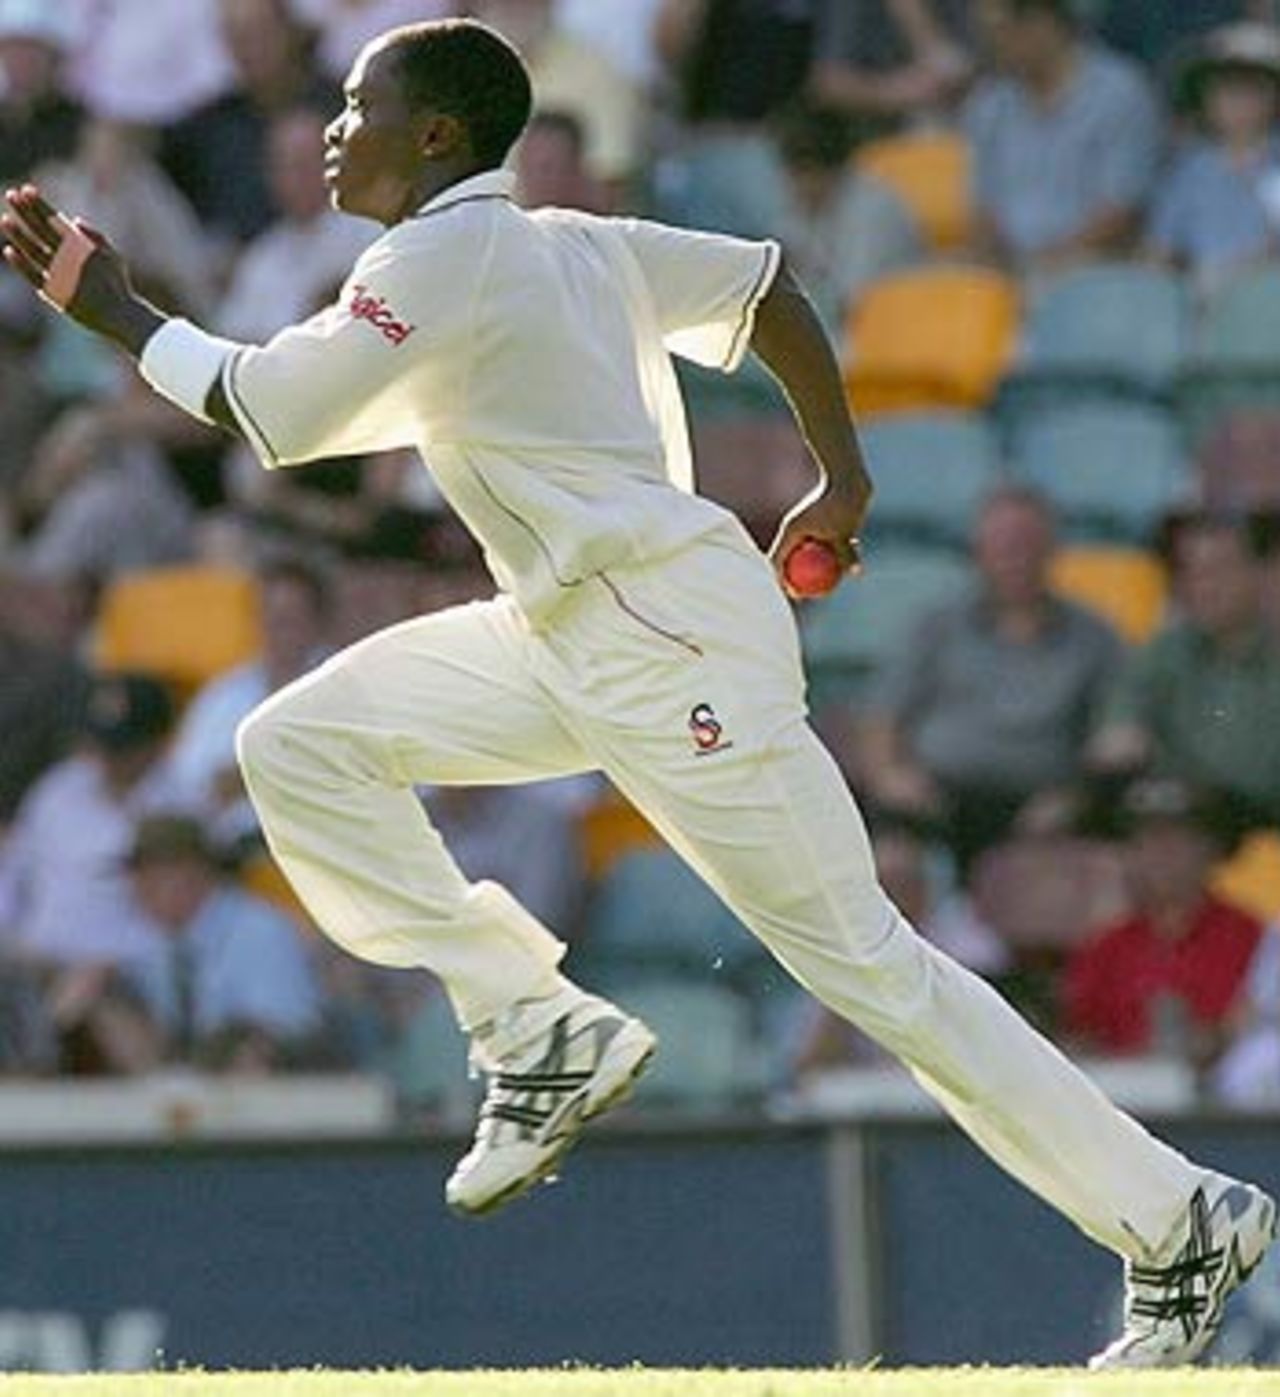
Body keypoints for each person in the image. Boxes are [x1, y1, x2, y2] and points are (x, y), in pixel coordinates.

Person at [2, 17, 1273, 1368]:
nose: (331, 129)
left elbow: (268, 411)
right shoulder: (568, 242)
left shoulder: (435, 259)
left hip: (661, 643)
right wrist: (839, 478)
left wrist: (116, 309)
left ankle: (1177, 1216)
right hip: (569, 630)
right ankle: (531, 1017)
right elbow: (768, 289)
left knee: (873, 969)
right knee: (298, 742)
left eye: (358, 106)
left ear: (435, 135)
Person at [856, 487, 1123, 871]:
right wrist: (891, 775)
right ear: (978, 552)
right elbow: (881, 717)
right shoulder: (935, 627)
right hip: (935, 802)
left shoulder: (1095, 638)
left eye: (1027, 544)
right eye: (1003, 546)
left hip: (1042, 808)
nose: (1016, 558)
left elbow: (1112, 737)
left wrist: (1074, 797)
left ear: (1052, 550)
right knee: (889, 857)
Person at [1090, 511, 1280, 832]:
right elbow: (1116, 732)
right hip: (1177, 816)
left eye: (1219, 570)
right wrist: (1120, 735)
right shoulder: (1166, 650)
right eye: (1191, 572)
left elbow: (1256, 775)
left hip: (1257, 819)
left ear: (1258, 573)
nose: (1204, 586)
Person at [1063, 776, 1264, 1064]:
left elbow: (1258, 1029)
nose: (1161, 854)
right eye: (1148, 840)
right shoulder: (1104, 946)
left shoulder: (1252, 937)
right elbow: (1076, 1036)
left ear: (1212, 849)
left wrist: (1218, 1040)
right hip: (1120, 1084)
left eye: (1179, 840)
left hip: (1223, 1086)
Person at [966, 0, 1164, 273]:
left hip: (1100, 268)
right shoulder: (989, 103)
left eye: (1002, 30)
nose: (993, 44)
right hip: (1012, 269)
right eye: (987, 32)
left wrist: (1051, 262)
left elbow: (1124, 209)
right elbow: (985, 207)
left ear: (1042, 22)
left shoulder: (1120, 92)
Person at [1147, 22, 1280, 297]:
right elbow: (1160, 250)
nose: (1237, 101)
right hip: (1200, 299)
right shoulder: (1189, 168)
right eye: (1224, 88)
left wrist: (1244, 273)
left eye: (1251, 88)